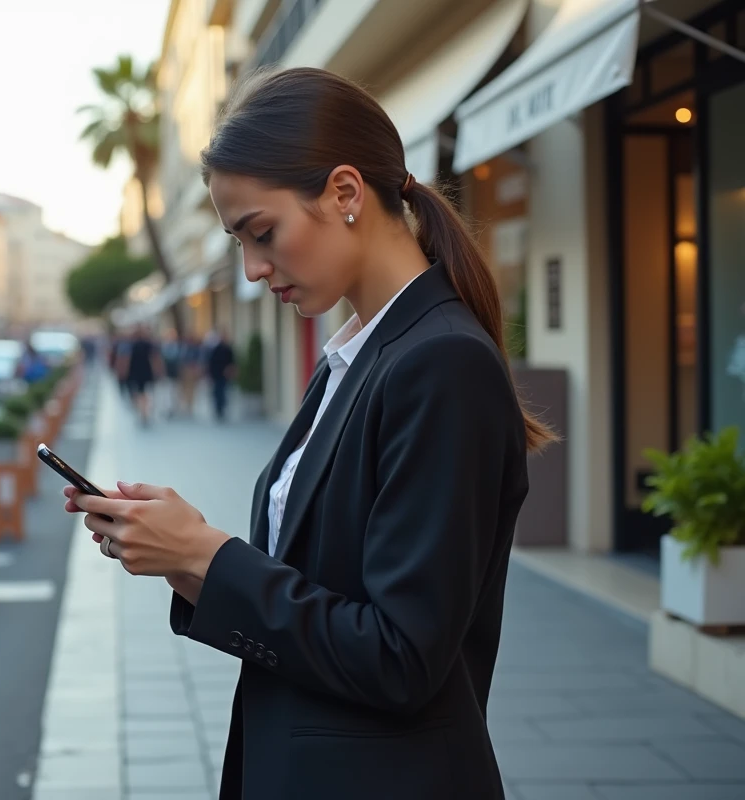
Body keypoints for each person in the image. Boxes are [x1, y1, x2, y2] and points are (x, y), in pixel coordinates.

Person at [64, 66, 554, 800]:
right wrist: (183, 558)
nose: (252, 268)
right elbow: (321, 587)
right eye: (239, 241)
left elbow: (400, 657)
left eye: (262, 233)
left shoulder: (440, 362)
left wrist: (207, 555)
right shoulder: (353, 358)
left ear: (346, 193)